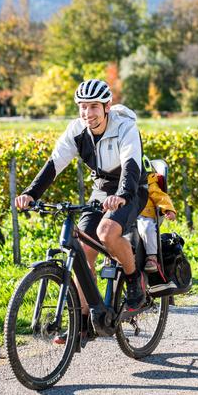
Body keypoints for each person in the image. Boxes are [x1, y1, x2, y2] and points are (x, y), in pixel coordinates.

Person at [14, 79, 149, 345]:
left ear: (107, 106)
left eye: (94, 107)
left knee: (107, 232)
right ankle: (83, 324)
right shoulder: (77, 131)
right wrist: (31, 193)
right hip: (101, 190)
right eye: (83, 107)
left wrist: (122, 196)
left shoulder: (125, 127)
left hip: (131, 188)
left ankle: (134, 280)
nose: (88, 113)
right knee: (82, 250)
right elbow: (54, 164)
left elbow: (131, 167)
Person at [137, 156, 177, 276]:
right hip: (127, 215)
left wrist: (168, 209)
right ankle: (111, 259)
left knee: (147, 228)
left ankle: (151, 257)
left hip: (144, 215)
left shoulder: (149, 182)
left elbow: (161, 196)